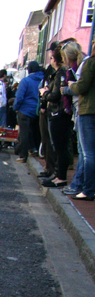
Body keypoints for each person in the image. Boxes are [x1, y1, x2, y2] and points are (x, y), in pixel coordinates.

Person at [62, 41, 95, 200]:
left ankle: (87, 189)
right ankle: (82, 186)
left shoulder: (89, 63)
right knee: (87, 152)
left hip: (87, 110)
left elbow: (81, 88)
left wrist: (69, 86)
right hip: (89, 110)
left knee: (87, 153)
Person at [40, 47, 73, 187]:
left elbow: (56, 95)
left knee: (60, 146)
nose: (50, 60)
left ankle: (61, 177)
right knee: (58, 146)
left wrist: (44, 93)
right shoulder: (58, 73)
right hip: (57, 112)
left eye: (52, 57)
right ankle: (57, 175)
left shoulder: (61, 73)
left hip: (58, 112)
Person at [13, 61, 43, 163]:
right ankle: (34, 149)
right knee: (35, 131)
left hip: (25, 110)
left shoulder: (26, 81)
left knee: (24, 133)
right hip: (38, 109)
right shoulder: (43, 80)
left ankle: (23, 155)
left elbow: (20, 96)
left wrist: (16, 107)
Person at [39, 41, 59, 178]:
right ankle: (48, 167)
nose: (50, 57)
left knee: (50, 141)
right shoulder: (50, 70)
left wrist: (45, 98)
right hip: (46, 106)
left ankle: (51, 169)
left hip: (51, 109)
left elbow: (54, 92)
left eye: (51, 56)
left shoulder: (57, 72)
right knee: (46, 139)